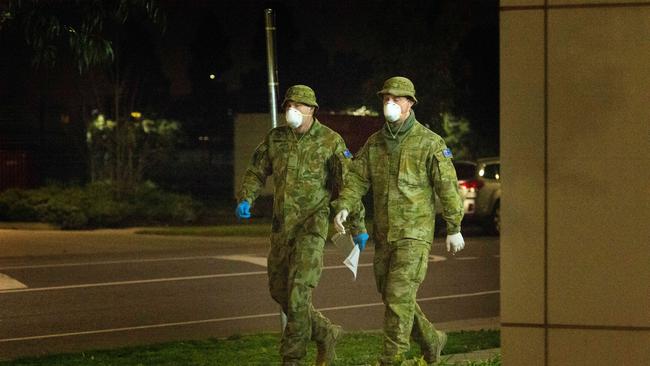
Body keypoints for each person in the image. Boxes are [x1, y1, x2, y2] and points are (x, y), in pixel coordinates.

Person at [331, 76, 465, 365]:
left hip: (414, 235)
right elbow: (356, 179)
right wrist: (344, 206)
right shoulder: (375, 143)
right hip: (385, 234)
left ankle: (391, 359)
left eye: (396, 99)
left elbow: (448, 186)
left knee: (397, 296)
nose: (390, 103)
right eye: (386, 99)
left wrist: (454, 227)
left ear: (410, 103)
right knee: (393, 296)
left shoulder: (430, 143)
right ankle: (432, 339)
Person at [235, 85, 368, 366]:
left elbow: (349, 184)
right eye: (288, 106)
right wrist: (246, 197)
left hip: (313, 226)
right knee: (279, 291)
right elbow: (256, 171)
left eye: (298, 106)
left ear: (312, 110)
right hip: (282, 229)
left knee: (298, 295)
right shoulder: (276, 139)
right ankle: (325, 332)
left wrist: (358, 225)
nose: (292, 111)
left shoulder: (330, 141)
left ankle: (292, 359)